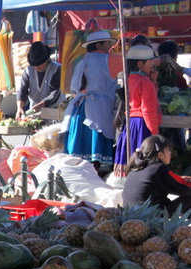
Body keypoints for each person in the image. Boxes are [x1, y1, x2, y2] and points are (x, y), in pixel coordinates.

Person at [61, 30, 117, 172]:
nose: (110, 45)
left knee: (80, 148)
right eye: (108, 43)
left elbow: (74, 87)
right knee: (97, 136)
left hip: (80, 107)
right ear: (99, 44)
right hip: (99, 106)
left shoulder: (81, 60)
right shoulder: (110, 59)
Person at [114, 45, 161, 177]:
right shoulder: (144, 82)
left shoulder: (128, 79)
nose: (153, 64)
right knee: (143, 162)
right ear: (140, 64)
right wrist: (155, 134)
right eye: (150, 62)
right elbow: (148, 110)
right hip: (142, 125)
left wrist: (153, 82)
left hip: (131, 123)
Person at [123, 135, 191, 212]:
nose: (170, 153)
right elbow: (183, 189)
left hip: (129, 216)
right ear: (160, 155)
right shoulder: (159, 169)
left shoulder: (134, 170)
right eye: (168, 150)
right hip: (151, 217)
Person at [16, 41, 62, 119]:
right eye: (34, 65)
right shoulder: (28, 71)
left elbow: (54, 95)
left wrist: (40, 106)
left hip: (55, 113)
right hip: (34, 115)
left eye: (40, 64)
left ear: (47, 60)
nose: (37, 67)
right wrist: (19, 108)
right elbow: (22, 91)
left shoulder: (56, 69)